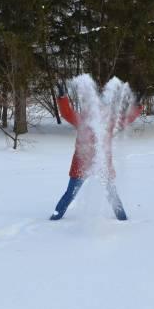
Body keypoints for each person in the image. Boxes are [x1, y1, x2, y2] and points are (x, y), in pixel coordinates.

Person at [50, 80, 142, 221]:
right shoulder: (82, 121)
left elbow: (127, 118)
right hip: (81, 165)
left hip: (102, 165)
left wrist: (137, 105)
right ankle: (55, 217)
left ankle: (122, 219)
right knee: (70, 194)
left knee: (112, 194)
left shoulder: (109, 123)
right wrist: (63, 97)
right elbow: (67, 113)